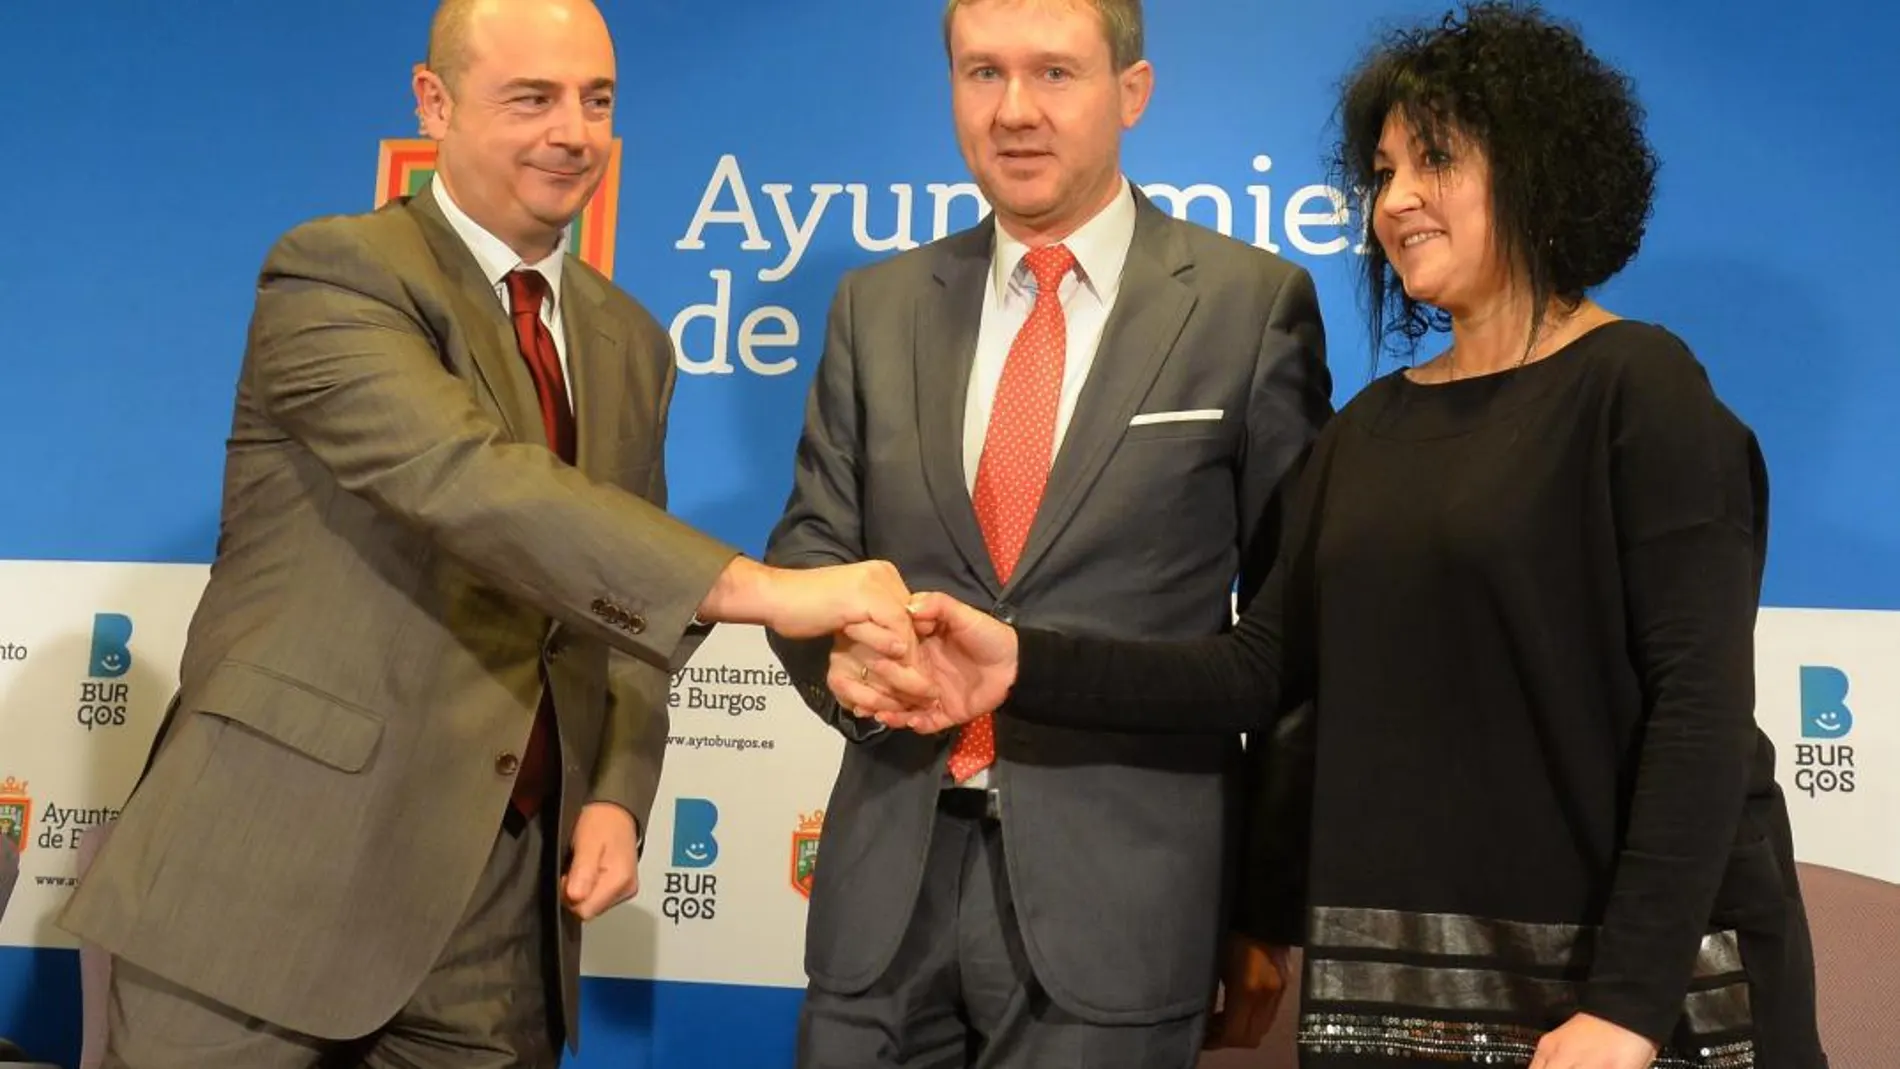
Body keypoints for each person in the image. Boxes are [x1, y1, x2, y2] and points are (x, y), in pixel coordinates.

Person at [850, 4, 1829, 1068]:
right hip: (1406, 992)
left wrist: (1628, 1010)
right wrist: (1020, 663)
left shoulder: (1643, 389)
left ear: (1541, 169)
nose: (1395, 200)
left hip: (1614, 1007)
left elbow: (1697, 718)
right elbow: (1255, 670)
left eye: (1435, 161)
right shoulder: (1370, 429)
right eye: (1383, 169)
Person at [56, 1, 929, 1066]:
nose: (573, 130)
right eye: (533, 97)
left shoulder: (631, 342)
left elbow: (618, 605)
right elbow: (470, 485)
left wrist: (616, 789)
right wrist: (776, 590)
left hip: (502, 915)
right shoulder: (338, 272)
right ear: (435, 103)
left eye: (596, 100)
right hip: (265, 888)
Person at [762, 0, 1333, 1064]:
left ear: (1132, 91)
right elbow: (807, 553)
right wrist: (835, 659)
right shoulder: (872, 308)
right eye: (982, 73)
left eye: (1054, 74)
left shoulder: (1252, 308)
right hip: (882, 896)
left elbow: (1293, 642)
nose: (1014, 110)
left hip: (1126, 907)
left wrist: (1267, 903)